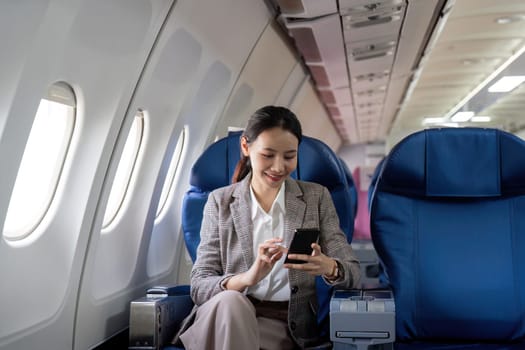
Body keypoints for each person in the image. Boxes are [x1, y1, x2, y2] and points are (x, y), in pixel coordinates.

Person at [174, 106, 360, 349]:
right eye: (268, 155)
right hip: (220, 316)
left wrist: (329, 267)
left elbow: (353, 273)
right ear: (245, 147)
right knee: (232, 303)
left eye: (289, 156)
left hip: (281, 325)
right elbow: (199, 286)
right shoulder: (220, 201)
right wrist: (249, 277)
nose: (278, 167)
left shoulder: (316, 197)